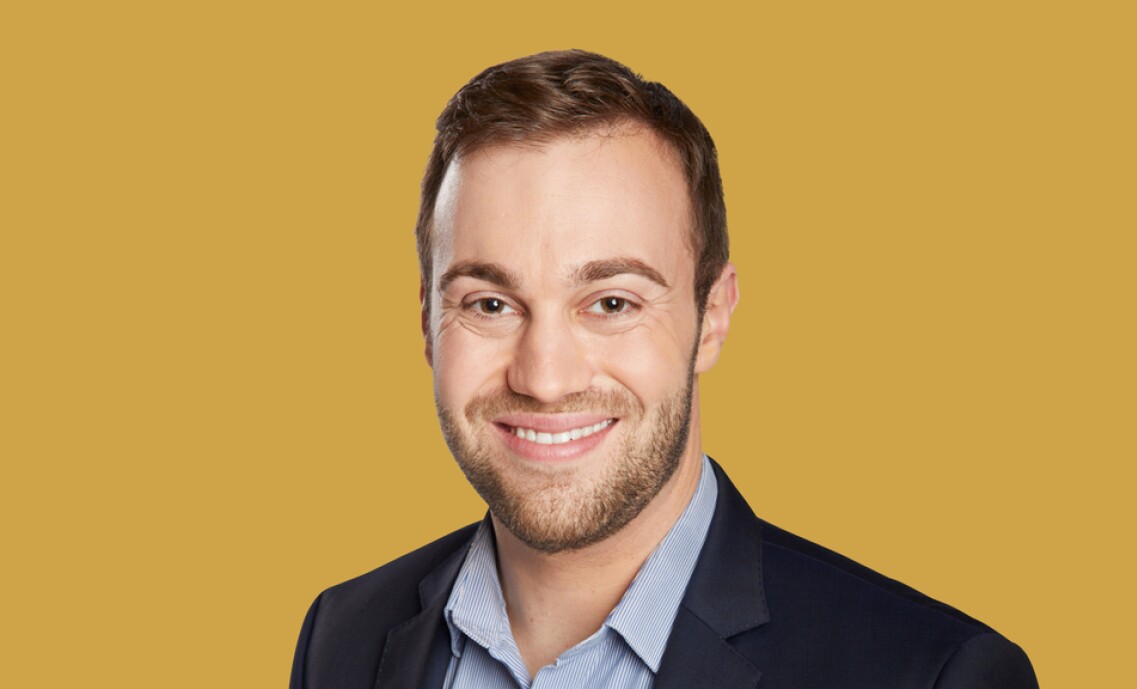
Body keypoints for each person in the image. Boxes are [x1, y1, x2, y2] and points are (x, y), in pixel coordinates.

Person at [289, 49, 1038, 689]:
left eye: (611, 302)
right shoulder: (341, 639)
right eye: (490, 304)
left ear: (712, 315)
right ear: (427, 322)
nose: (544, 378)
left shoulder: (930, 673)